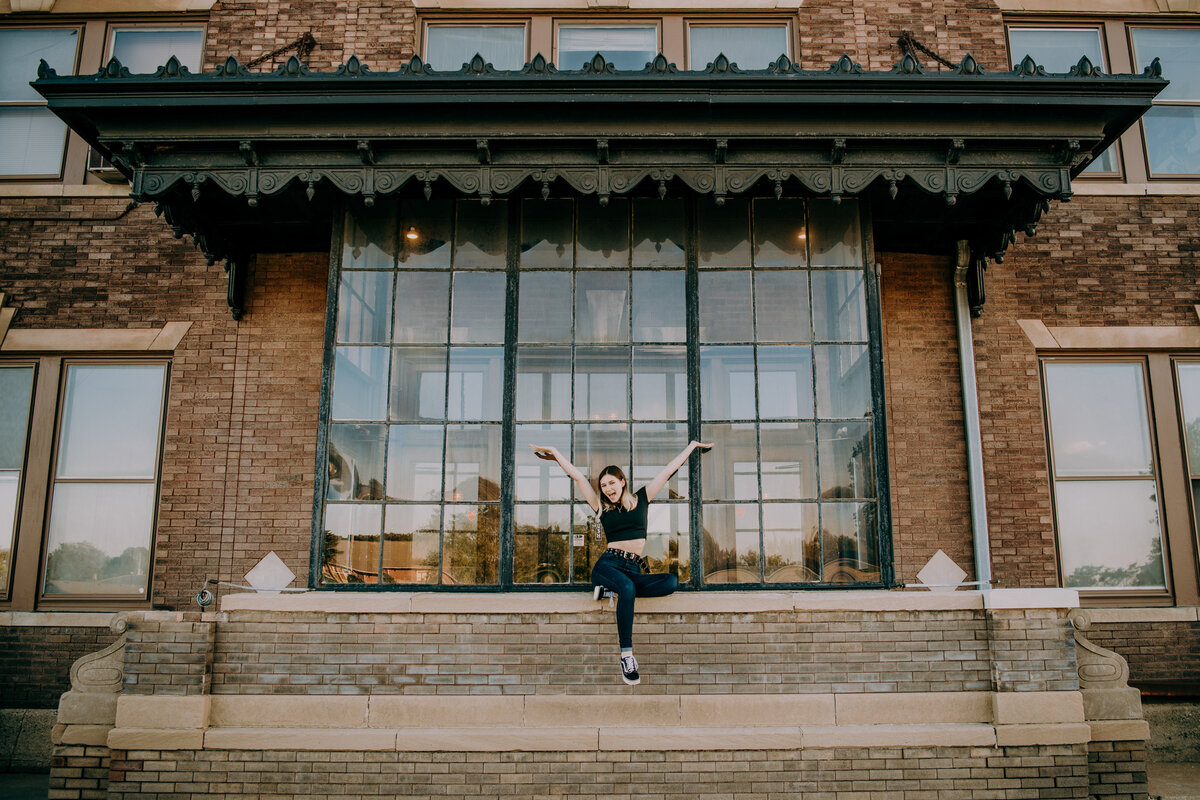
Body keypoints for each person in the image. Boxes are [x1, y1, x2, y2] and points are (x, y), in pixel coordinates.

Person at [530, 440, 713, 685]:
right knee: (627, 589)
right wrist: (555, 452)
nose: (606, 489)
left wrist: (692, 447)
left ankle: (608, 592)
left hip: (632, 568)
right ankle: (626, 656)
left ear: (622, 481)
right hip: (608, 565)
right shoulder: (601, 508)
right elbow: (578, 478)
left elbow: (668, 470)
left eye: (611, 483)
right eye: (603, 485)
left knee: (670, 582)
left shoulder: (643, 497)